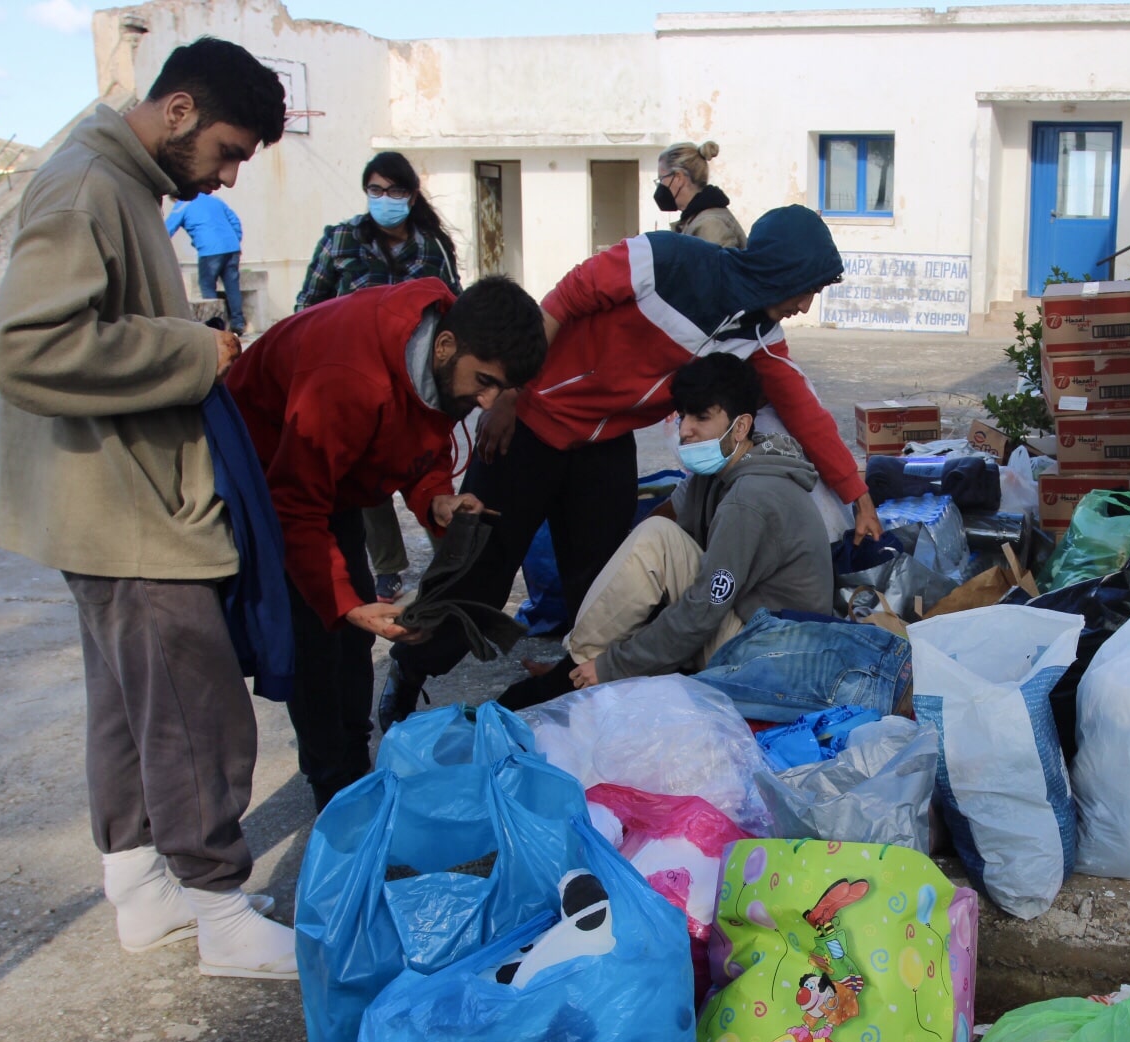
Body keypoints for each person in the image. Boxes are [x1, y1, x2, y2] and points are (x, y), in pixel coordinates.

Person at [0, 38, 296, 980]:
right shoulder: (88, 187)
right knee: (195, 709)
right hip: (127, 507)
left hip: (112, 501)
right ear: (178, 111)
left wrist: (183, 337)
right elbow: (32, 347)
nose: (229, 174)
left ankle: (140, 889)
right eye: (228, 149)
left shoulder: (124, 186)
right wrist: (188, 353)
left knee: (130, 709)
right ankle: (218, 909)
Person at [378, 204, 882, 728]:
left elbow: (804, 412)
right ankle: (408, 674)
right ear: (782, 270)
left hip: (605, 443)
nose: (805, 305)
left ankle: (572, 682)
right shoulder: (669, 260)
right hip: (529, 422)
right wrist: (510, 391)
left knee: (607, 577)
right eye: (807, 289)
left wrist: (857, 495)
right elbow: (565, 298)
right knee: (479, 567)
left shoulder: (757, 336)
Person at [225, 276, 546, 809]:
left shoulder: (443, 347)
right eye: (484, 382)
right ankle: (336, 789)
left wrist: (436, 498)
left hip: (328, 480)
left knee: (350, 641)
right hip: (262, 477)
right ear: (445, 348)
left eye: (500, 390)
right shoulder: (348, 380)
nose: (488, 401)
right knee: (316, 635)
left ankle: (354, 761)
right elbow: (296, 505)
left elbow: (420, 436)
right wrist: (344, 603)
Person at [500, 353, 831, 708]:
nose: (686, 430)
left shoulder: (749, 499)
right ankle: (577, 667)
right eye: (684, 415)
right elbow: (670, 553)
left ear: (740, 426)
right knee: (657, 535)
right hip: (754, 630)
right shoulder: (718, 475)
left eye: (701, 417)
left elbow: (704, 607)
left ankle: (573, 674)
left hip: (779, 660)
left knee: (657, 539)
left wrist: (615, 664)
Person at [296, 152, 464, 606]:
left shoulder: (431, 246)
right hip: (355, 380)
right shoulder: (341, 241)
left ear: (411, 195)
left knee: (426, 467)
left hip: (418, 381)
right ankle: (387, 568)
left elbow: (456, 308)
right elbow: (308, 308)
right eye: (376, 190)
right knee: (367, 479)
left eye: (394, 191)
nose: (384, 200)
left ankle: (449, 571)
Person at [165, 191, 246, 334]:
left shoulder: (183, 204)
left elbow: (166, 230)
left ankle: (215, 326)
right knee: (232, 287)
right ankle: (238, 324)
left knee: (207, 286)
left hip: (210, 250)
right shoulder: (214, 200)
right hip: (232, 247)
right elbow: (234, 220)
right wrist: (234, 240)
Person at [656, 141, 746, 248]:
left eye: (661, 179)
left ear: (678, 177)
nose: (659, 186)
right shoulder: (696, 220)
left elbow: (714, 263)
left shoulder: (710, 224)